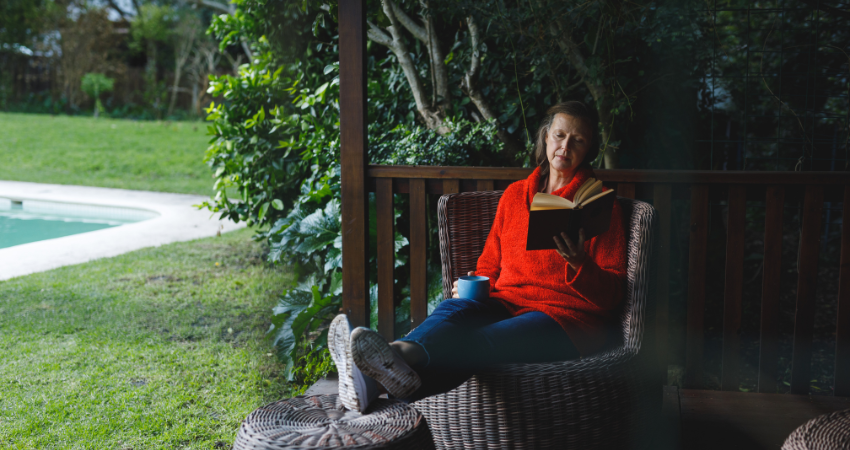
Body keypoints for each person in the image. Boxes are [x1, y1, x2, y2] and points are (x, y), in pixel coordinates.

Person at [329, 101, 628, 413]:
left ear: (589, 147)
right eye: (559, 135)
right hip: (505, 302)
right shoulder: (514, 196)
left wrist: (580, 263)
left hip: (565, 319)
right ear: (545, 138)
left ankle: (373, 379)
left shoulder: (599, 207)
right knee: (451, 312)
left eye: (577, 140)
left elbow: (613, 296)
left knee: (481, 341)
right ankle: (393, 353)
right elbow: (488, 263)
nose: (565, 145)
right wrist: (471, 287)